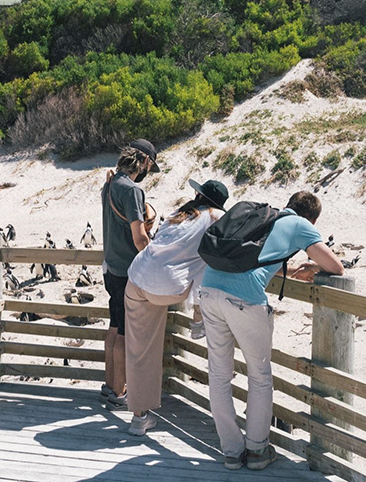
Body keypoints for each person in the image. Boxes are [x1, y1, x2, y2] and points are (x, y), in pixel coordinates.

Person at [199, 191, 344, 471]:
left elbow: (253, 258)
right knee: (259, 376)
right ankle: (256, 451)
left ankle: (231, 452)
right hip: (244, 300)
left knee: (218, 374)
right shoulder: (302, 225)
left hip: (209, 289)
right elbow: (334, 266)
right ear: (312, 217)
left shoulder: (265, 218)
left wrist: (285, 269)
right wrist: (311, 266)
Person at [124, 179, 228, 436]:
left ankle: (139, 418)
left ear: (198, 195)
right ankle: (198, 316)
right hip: (169, 288)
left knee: (139, 350)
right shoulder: (216, 216)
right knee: (208, 256)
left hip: (137, 276)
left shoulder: (178, 213)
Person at [101, 139, 159, 411]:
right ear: (145, 161)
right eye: (151, 164)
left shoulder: (110, 183)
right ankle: (120, 393)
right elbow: (139, 238)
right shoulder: (133, 190)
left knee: (114, 327)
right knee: (125, 334)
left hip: (111, 268)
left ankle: (110, 386)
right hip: (128, 271)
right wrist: (155, 261)